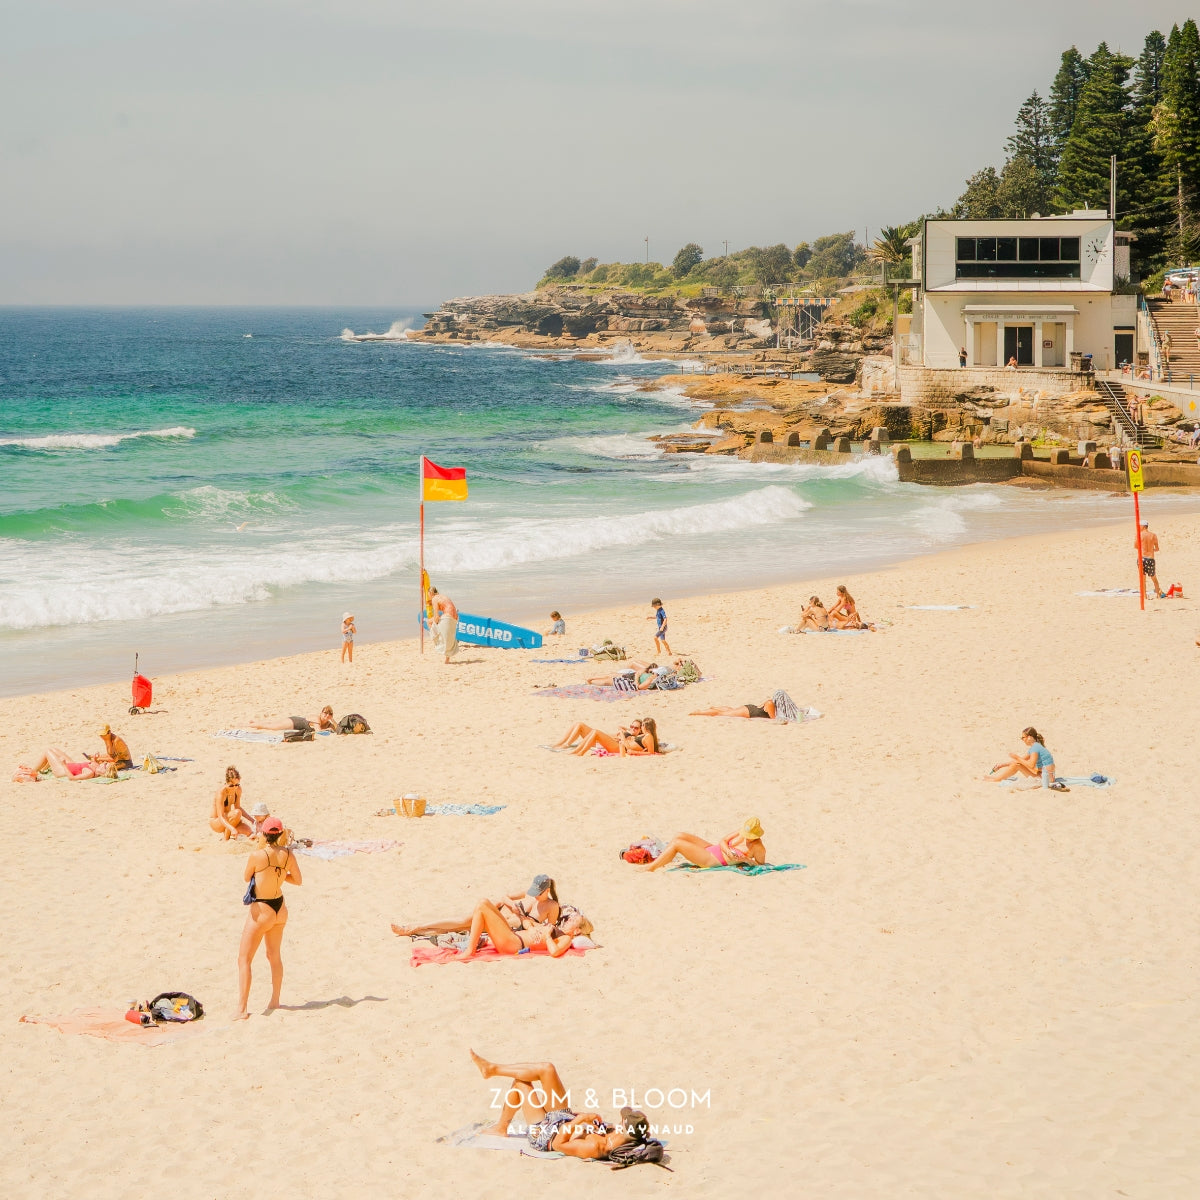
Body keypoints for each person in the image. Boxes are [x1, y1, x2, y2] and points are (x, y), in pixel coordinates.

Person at [468, 1051, 647, 1160]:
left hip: (546, 1135)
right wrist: (583, 1119)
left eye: (622, 1120)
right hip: (563, 1120)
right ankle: (492, 1069)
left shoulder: (596, 1148)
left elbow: (559, 1145)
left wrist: (580, 1120)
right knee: (548, 1069)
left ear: (625, 1127)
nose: (618, 1121)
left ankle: (501, 1128)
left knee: (521, 1085)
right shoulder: (618, 1134)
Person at [234, 817, 301, 1020]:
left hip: (262, 909)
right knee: (274, 956)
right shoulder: (289, 854)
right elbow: (297, 880)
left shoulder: (257, 855)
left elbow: (247, 877)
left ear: (264, 834)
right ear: (281, 834)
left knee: (244, 959)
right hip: (280, 908)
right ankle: (275, 1000)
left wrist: (267, 871)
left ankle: (242, 1009)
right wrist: (279, 875)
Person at [391, 875, 570, 939]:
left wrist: (524, 920)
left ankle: (416, 929)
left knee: (462, 926)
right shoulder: (529, 893)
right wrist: (512, 905)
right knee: (463, 921)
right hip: (498, 912)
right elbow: (504, 896)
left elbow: (549, 928)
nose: (534, 894)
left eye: (538, 892)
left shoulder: (552, 906)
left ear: (546, 890)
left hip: (506, 926)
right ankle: (415, 926)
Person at [454, 898, 592, 959]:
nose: (569, 919)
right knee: (483, 904)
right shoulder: (555, 928)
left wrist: (549, 935)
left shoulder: (566, 938)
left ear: (577, 931)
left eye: (573, 920)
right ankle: (470, 948)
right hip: (512, 937)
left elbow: (555, 952)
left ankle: (470, 950)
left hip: (513, 944)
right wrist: (531, 928)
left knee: (483, 905)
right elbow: (527, 922)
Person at [642, 818, 767, 871]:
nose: (747, 837)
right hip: (713, 848)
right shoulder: (742, 832)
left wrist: (746, 860)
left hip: (712, 859)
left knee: (677, 844)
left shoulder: (758, 848)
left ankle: (651, 868)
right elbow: (723, 841)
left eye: (750, 836)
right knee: (680, 835)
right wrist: (729, 851)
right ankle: (662, 859)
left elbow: (760, 866)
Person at [984, 726, 1066, 790]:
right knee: (1017, 763)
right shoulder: (1035, 747)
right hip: (1045, 776)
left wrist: (1017, 757)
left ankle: (996, 779)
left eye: (1023, 738)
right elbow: (1022, 759)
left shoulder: (1035, 748)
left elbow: (1031, 765)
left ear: (1029, 737)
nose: (1022, 740)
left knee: (1017, 765)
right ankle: (997, 778)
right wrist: (1001, 765)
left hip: (1046, 779)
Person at [549, 717, 659, 756]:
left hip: (618, 746)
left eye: (636, 728)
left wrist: (623, 736)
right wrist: (628, 731)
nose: (633, 729)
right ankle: (560, 745)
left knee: (595, 732)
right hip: (614, 742)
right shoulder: (638, 735)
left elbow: (650, 751)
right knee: (579, 724)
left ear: (642, 729)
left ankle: (577, 752)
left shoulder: (645, 736)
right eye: (632, 726)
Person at [210, 766, 250, 839]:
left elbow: (238, 807)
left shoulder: (238, 790)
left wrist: (252, 820)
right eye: (231, 785)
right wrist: (232, 828)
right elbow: (221, 816)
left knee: (248, 831)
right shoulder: (221, 792)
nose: (234, 787)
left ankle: (228, 835)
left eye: (237, 784)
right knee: (237, 813)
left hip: (229, 818)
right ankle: (226, 839)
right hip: (217, 822)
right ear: (226, 783)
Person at [24, 747, 106, 780]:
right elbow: (92, 762)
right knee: (53, 749)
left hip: (62, 771)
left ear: (103, 772)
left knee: (47, 751)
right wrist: (95, 758)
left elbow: (72, 778)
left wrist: (63, 765)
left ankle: (32, 772)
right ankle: (42, 769)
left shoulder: (90, 773)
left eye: (105, 766)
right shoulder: (97, 766)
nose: (105, 764)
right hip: (73, 765)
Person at [429, 586, 459, 663]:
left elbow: (436, 616)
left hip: (448, 616)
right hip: (455, 616)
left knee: (430, 622)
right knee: (448, 638)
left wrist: (434, 627)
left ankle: (436, 642)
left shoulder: (434, 599)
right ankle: (447, 659)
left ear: (430, 593)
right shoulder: (443, 596)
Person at [247, 707, 335, 732]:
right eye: (325, 713)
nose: (326, 715)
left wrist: (333, 721)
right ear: (321, 713)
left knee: (273, 724)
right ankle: (250, 725)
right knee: (273, 727)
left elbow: (338, 728)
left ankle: (255, 722)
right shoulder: (316, 719)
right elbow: (319, 731)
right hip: (294, 722)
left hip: (295, 722)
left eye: (329, 714)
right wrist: (329, 729)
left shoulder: (328, 723)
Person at [587, 662, 660, 690]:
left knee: (607, 681)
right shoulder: (644, 670)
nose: (652, 672)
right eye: (651, 671)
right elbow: (637, 674)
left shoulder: (653, 676)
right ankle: (592, 678)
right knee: (610, 676)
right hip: (630, 676)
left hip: (629, 678)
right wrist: (636, 682)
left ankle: (592, 681)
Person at [1138, 522, 1163, 598]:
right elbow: (1157, 548)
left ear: (1143, 526)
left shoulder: (1139, 535)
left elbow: (1136, 546)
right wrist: (1151, 550)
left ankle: (1145, 596)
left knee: (1143, 578)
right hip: (1150, 558)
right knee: (1154, 577)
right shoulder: (1153, 535)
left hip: (1142, 558)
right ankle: (1158, 594)